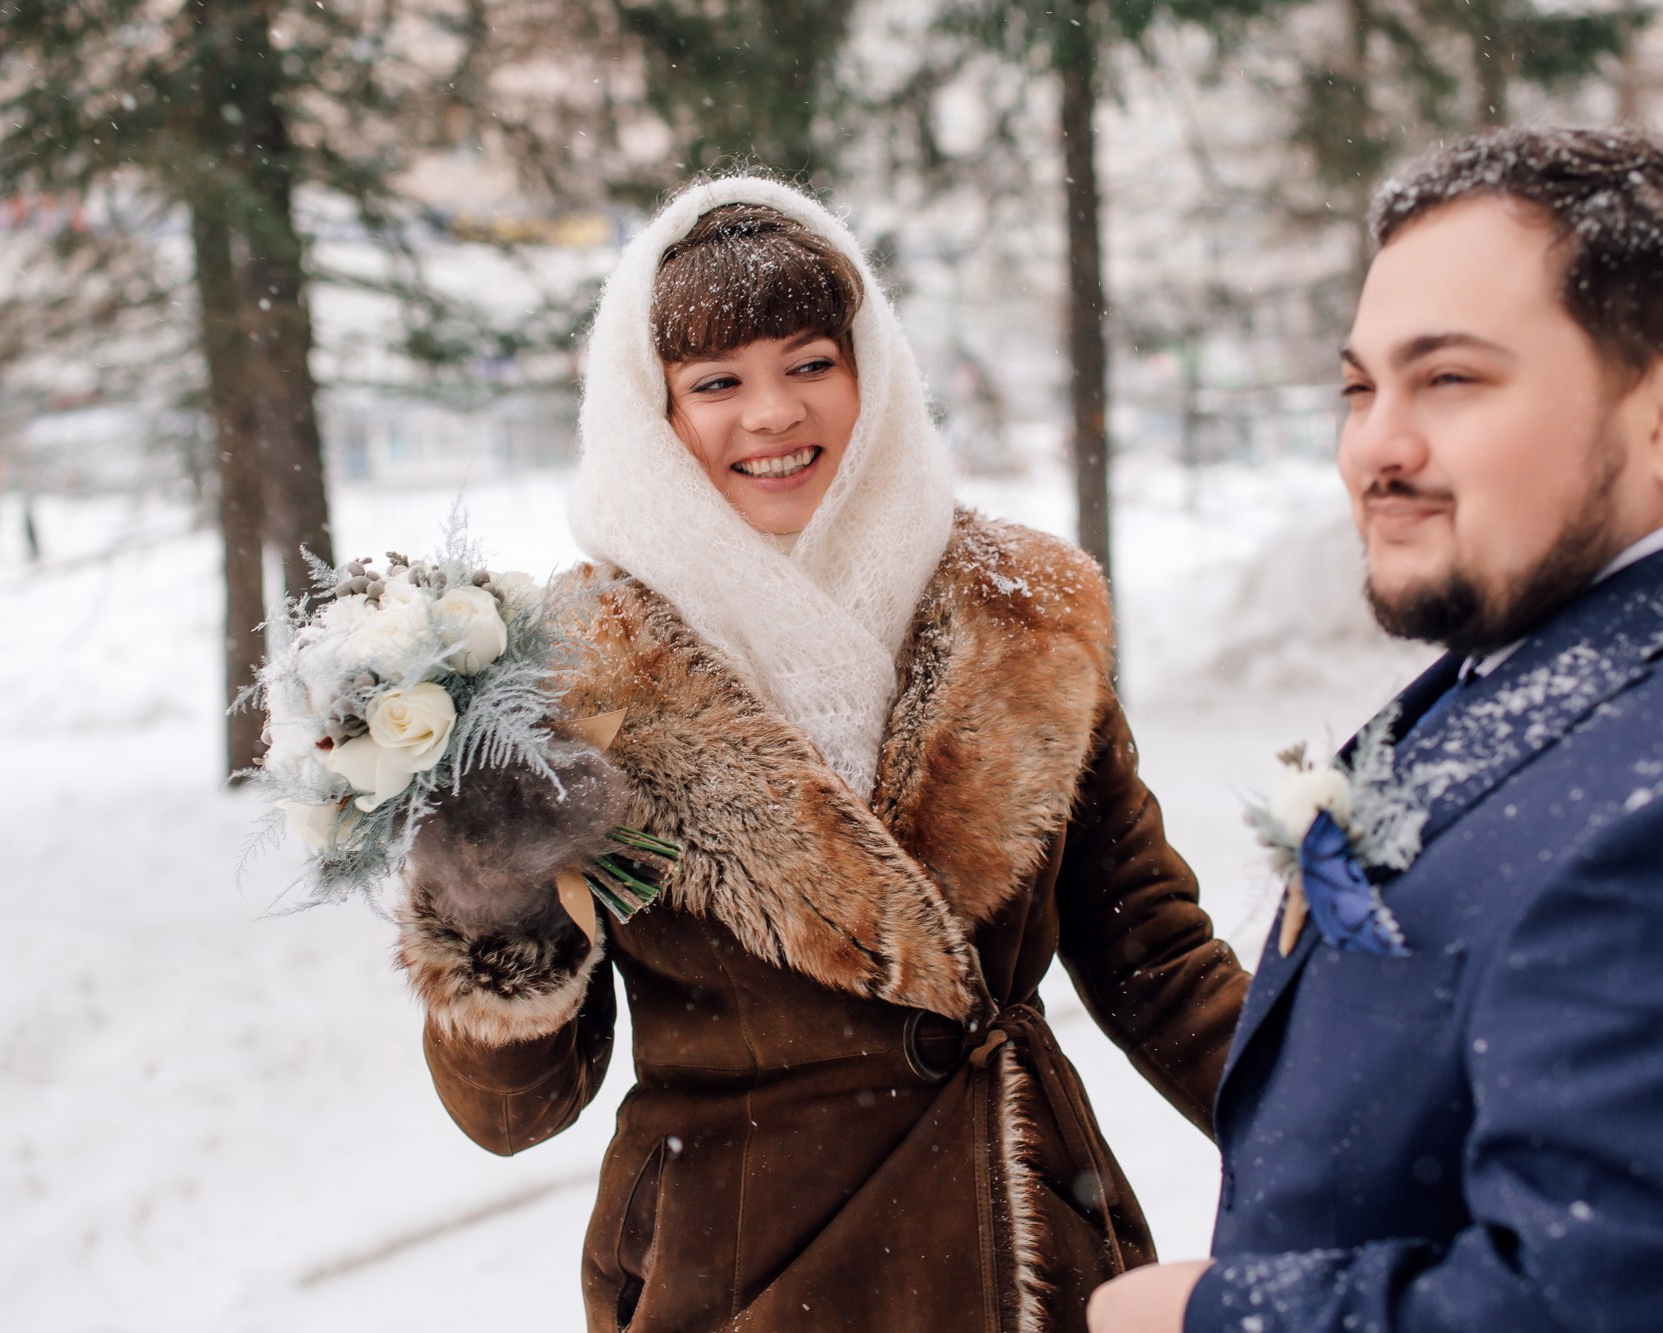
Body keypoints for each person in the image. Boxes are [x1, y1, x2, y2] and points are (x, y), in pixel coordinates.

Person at [392, 177, 1251, 1332]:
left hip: (1024, 1248)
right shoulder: (573, 681)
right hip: (737, 1275)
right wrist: (490, 904)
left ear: (873, 373)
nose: (771, 414)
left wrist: (1370, 1125)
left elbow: (1155, 957)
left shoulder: (1021, 615)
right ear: (654, 413)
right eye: (715, 384)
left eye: (809, 363)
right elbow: (513, 1111)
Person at [1088, 126, 1663, 1333]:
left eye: (1449, 379)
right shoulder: (1560, 652)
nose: (1373, 445)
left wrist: (1212, 1319)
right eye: (1358, 386)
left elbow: (1648, 1302)